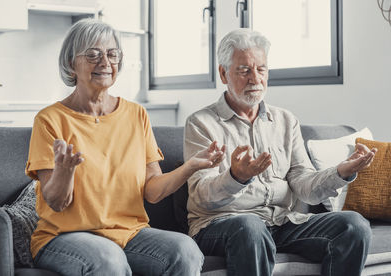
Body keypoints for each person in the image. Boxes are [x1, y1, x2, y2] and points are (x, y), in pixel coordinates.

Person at [25, 18, 225, 276]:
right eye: (93, 54)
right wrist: (65, 172)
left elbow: (152, 192)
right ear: (71, 63)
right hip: (64, 237)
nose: (105, 62)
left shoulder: (136, 114)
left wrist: (191, 166)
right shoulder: (50, 120)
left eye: (112, 54)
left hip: (129, 234)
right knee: (108, 260)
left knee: (185, 250)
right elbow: (56, 203)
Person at [184, 28, 377, 276]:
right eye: (244, 70)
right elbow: (201, 195)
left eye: (261, 69)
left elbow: (305, 187)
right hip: (219, 224)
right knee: (250, 226)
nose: (255, 78)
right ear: (223, 73)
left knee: (354, 225)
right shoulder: (201, 124)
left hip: (280, 222)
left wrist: (341, 172)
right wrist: (235, 177)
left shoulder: (286, 121)